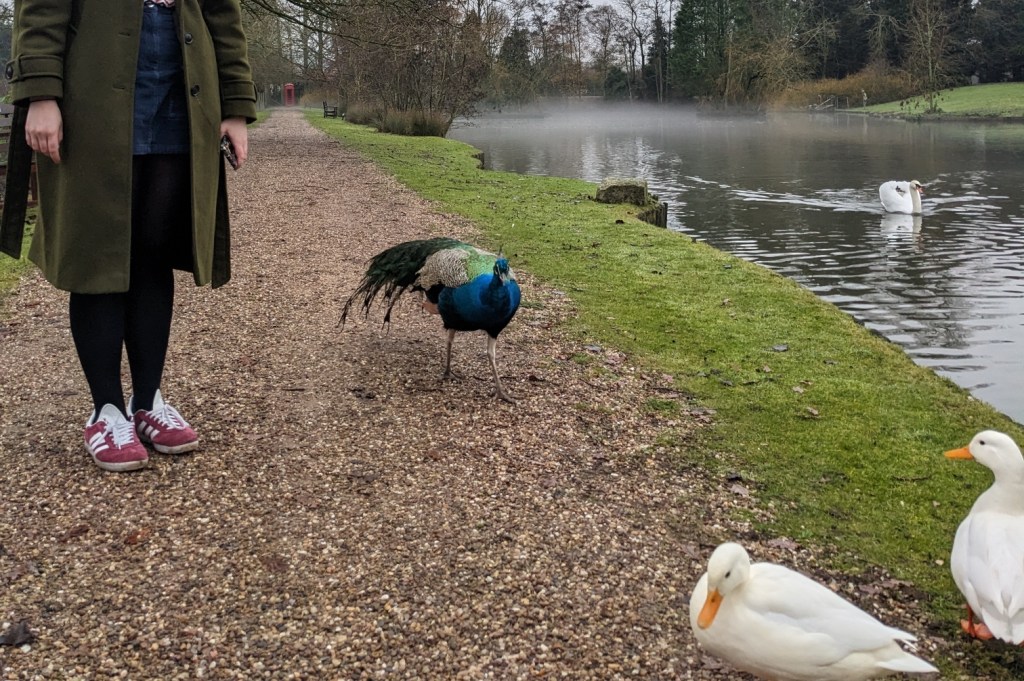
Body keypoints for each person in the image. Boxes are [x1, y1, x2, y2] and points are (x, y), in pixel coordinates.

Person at [2, 0, 257, 472]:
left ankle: (148, 401)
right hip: (90, 90)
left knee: (154, 252)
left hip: (183, 90)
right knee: (98, 250)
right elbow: (41, 8)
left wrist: (236, 106)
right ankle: (106, 411)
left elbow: (223, 13)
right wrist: (40, 93)